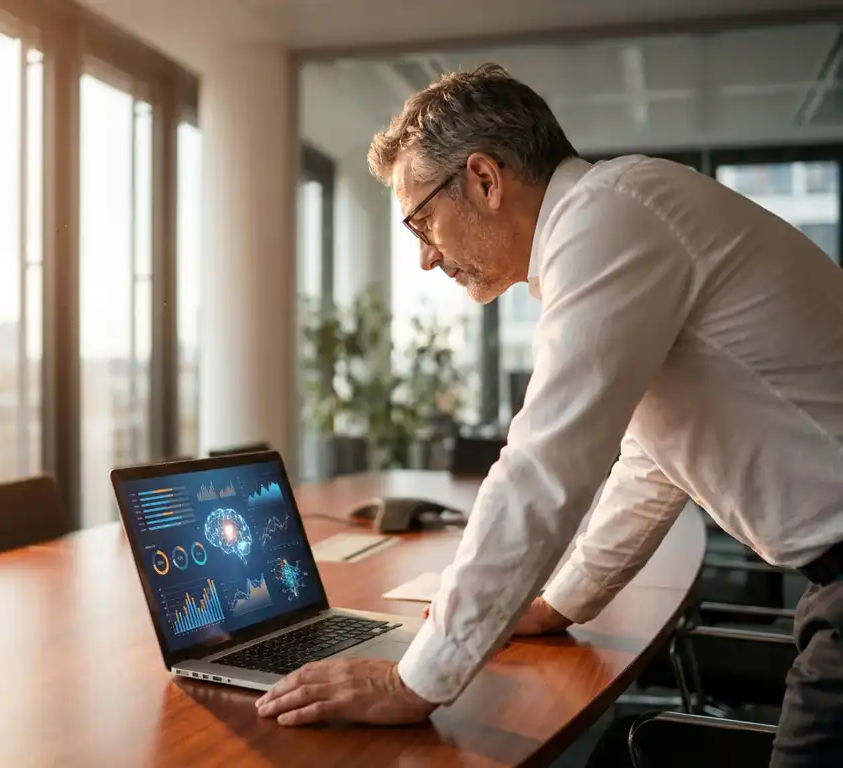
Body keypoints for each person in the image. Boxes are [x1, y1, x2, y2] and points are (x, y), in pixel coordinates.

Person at [255, 63, 843, 766]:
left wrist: (416, 679)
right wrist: (558, 604)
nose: (424, 257)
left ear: (483, 178)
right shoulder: (622, 214)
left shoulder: (610, 219)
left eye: (421, 219)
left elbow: (543, 468)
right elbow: (652, 463)